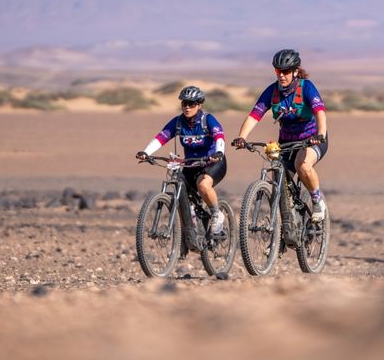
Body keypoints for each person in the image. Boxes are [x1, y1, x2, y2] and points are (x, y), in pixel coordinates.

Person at [232, 49, 329, 221]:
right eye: (278, 71)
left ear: (295, 71)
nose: (281, 75)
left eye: (285, 71)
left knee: (303, 165)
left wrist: (320, 134)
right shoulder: (272, 91)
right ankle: (284, 227)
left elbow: (320, 112)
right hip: (286, 141)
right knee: (280, 182)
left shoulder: (306, 87)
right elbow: (254, 116)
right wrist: (242, 137)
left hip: (312, 138)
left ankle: (317, 201)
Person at [136, 86, 227, 234]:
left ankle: (217, 213)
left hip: (213, 163)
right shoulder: (178, 122)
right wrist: (146, 152)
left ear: (199, 105)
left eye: (191, 104)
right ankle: (190, 231)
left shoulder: (207, 120)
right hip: (191, 164)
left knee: (203, 186)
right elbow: (161, 138)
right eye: (184, 104)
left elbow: (219, 137)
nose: (187, 107)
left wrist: (219, 152)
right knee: (183, 193)